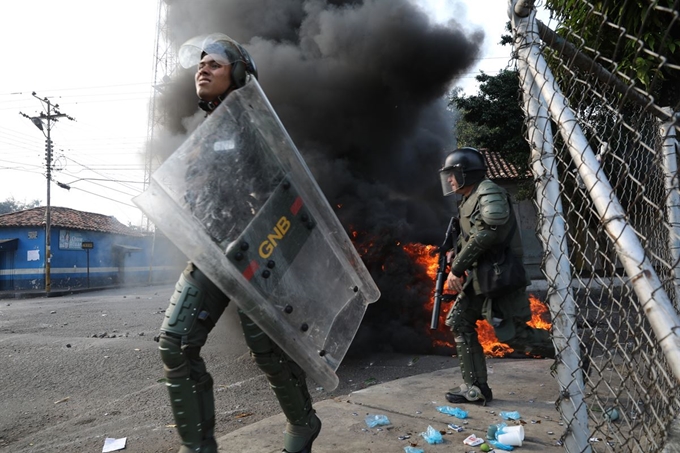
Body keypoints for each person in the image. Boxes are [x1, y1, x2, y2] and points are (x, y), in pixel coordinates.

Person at [157, 33, 321, 453]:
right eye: (200, 63)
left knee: (268, 351)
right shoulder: (204, 136)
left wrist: (264, 246)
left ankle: (303, 425)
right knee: (175, 344)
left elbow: (287, 197)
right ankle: (198, 447)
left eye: (215, 63)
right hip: (210, 250)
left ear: (241, 74)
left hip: (254, 251)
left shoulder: (255, 125)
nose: (202, 68)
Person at [438, 147, 555, 406]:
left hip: (499, 278)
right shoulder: (469, 198)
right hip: (481, 278)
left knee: (513, 336)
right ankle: (475, 387)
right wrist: (453, 254)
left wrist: (457, 267)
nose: (449, 179)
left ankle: (573, 352)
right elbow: (473, 235)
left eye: (452, 174)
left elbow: (488, 231)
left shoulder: (488, 191)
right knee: (459, 321)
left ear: (466, 173)